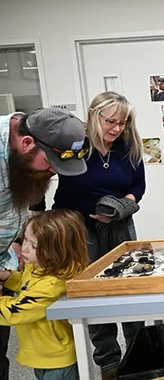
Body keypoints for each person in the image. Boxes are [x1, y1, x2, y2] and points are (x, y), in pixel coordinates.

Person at [48, 92, 146, 380]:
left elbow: (138, 188)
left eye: (123, 123)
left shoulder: (128, 147)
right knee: (93, 296)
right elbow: (54, 184)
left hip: (120, 226)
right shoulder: (76, 146)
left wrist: (119, 207)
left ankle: (137, 355)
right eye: (111, 121)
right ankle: (109, 362)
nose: (117, 129)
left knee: (130, 292)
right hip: (81, 231)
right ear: (93, 115)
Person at [0, 108, 87, 380]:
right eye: (50, 165)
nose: (52, 173)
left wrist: (14, 243)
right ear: (27, 144)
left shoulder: (21, 155)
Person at [0, 209, 89, 380]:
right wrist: (8, 277)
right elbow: (28, 284)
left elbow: (16, 312)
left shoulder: (52, 284)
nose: (24, 248)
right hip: (44, 354)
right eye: (24, 239)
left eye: (34, 246)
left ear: (57, 250)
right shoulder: (38, 265)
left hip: (56, 360)